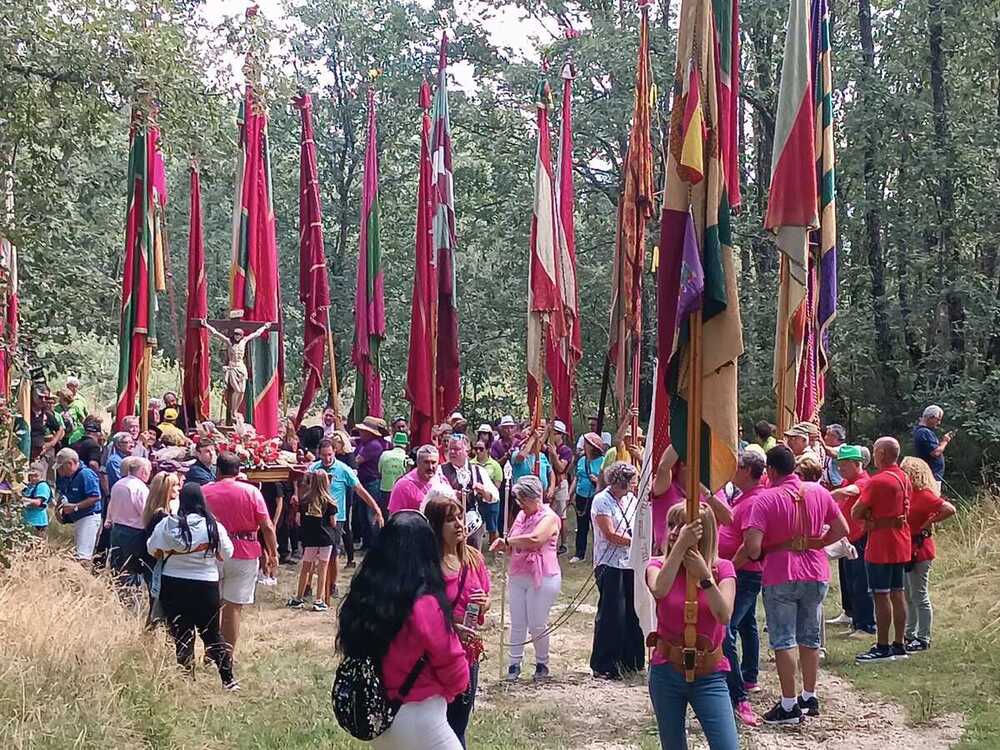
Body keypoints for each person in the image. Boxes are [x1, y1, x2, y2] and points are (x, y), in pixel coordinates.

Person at [337, 511, 469, 750]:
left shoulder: (364, 594)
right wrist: (456, 688)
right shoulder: (424, 602)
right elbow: (451, 660)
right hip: (421, 715)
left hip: (378, 714)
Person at [743, 445, 849, 725]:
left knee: (783, 639)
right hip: (815, 569)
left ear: (772, 470)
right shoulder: (819, 492)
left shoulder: (765, 500)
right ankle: (809, 696)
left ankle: (789, 705)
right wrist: (817, 543)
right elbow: (842, 529)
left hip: (781, 572)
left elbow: (753, 548)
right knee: (810, 637)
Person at [646, 502, 739, 750]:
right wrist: (678, 551)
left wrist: (705, 577)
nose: (675, 531)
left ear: (703, 532)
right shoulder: (656, 566)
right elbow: (659, 589)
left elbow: (724, 615)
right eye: (671, 525)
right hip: (667, 671)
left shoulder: (722, 569)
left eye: (683, 525)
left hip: (709, 673)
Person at [147, 482, 237, 690]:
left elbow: (152, 549)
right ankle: (228, 679)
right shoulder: (213, 525)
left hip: (174, 583)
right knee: (212, 634)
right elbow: (227, 553)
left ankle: (187, 678)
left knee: (182, 633)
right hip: (206, 584)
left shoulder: (169, 524)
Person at [425, 493, 492, 748]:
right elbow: (420, 614)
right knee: (435, 728)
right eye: (450, 520)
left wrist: (484, 603)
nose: (460, 524)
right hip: (437, 658)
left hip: (468, 656)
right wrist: (450, 625)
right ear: (435, 526)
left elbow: (486, 599)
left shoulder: (474, 558)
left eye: (460, 517)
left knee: (458, 726)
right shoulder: (427, 566)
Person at [203, 451, 279, 658]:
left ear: (217, 470)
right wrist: (273, 552)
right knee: (233, 607)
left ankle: (211, 652)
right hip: (244, 551)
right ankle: (226, 655)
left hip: (212, 551)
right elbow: (267, 526)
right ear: (239, 471)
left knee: (212, 606)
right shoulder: (252, 492)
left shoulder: (204, 491)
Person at [491, 476, 561, 682]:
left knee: (537, 622)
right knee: (517, 621)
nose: (520, 504)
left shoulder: (549, 517)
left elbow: (535, 540)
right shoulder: (522, 515)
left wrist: (508, 541)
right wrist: (508, 544)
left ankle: (542, 662)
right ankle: (514, 664)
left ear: (535, 498)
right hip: (518, 573)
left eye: (523, 499)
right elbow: (513, 538)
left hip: (543, 575)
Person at [852, 437, 912, 663]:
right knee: (898, 592)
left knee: (881, 594)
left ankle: (883, 645)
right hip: (900, 541)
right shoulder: (904, 477)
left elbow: (856, 511)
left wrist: (870, 518)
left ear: (883, 454)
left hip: (881, 543)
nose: (874, 456)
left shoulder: (878, 481)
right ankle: (899, 643)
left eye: (875, 452)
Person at [719, 447, 767, 726]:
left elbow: (750, 547)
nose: (731, 472)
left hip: (743, 575)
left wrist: (728, 570)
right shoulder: (744, 497)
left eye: (735, 467)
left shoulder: (752, 502)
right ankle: (749, 676)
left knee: (725, 632)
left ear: (747, 471)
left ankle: (737, 696)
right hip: (742, 573)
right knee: (747, 624)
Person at [589, 461, 644, 680]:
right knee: (612, 614)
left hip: (630, 563)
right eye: (632, 481)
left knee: (633, 612)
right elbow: (610, 533)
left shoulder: (632, 499)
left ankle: (631, 660)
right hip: (609, 563)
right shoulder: (601, 501)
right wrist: (636, 543)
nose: (634, 485)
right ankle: (604, 664)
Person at [900, 456, 956, 652]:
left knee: (919, 595)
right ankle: (910, 634)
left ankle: (923, 637)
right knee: (908, 594)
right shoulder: (909, 494)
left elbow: (949, 509)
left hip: (920, 549)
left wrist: (926, 525)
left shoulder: (924, 495)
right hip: (908, 548)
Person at [827, 445, 875, 635]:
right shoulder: (847, 479)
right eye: (839, 465)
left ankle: (866, 625)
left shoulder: (863, 481)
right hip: (847, 538)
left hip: (860, 537)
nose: (840, 469)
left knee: (861, 582)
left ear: (857, 464)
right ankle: (854, 618)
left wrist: (822, 496)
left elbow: (849, 492)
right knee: (849, 580)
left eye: (844, 466)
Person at [287, 471, 339, 611]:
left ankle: (299, 598)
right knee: (322, 568)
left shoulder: (304, 500)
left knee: (306, 568)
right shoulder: (330, 501)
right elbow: (333, 522)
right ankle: (319, 600)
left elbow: (298, 520)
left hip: (310, 538)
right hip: (326, 538)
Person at [106, 456, 152, 583]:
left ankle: (118, 593)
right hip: (134, 533)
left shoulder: (117, 484)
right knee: (132, 569)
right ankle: (131, 598)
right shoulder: (140, 488)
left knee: (118, 567)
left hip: (117, 530)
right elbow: (145, 512)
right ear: (143, 471)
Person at [440, 434, 498, 534]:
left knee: (473, 550)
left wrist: (483, 491)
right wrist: (451, 494)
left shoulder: (478, 471)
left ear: (467, 450)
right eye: (450, 449)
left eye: (456, 449)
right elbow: (433, 495)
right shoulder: (440, 471)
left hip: (473, 523)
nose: (452, 452)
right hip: (448, 524)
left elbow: (494, 497)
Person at [54, 447, 103, 561]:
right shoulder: (70, 477)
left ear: (70, 463)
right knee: (78, 552)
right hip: (78, 519)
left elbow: (95, 497)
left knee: (83, 555)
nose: (60, 471)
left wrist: (75, 507)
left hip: (88, 518)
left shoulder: (86, 474)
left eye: (61, 467)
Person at [570, 432, 605, 563]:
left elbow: (606, 481)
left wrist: (597, 481)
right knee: (581, 526)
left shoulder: (602, 461)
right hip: (581, 497)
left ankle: (599, 554)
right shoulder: (581, 461)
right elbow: (576, 478)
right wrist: (570, 493)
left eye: (587, 443)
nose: (584, 445)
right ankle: (579, 553)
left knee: (597, 527)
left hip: (595, 498)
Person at [355, 416, 389, 549]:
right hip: (364, 482)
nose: (360, 433)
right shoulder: (364, 444)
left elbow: (357, 460)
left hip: (372, 482)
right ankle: (367, 543)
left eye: (363, 431)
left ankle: (375, 544)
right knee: (363, 515)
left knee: (371, 515)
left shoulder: (374, 445)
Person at [545, 421, 575, 555]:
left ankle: (563, 544)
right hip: (549, 483)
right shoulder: (547, 448)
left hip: (561, 483)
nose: (553, 436)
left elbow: (561, 468)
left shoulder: (566, 451)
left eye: (555, 433)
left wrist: (553, 455)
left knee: (561, 515)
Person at [389, 444, 445, 513]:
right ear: (418, 463)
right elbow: (394, 517)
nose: (430, 467)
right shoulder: (403, 486)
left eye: (433, 463)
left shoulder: (442, 480)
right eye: (426, 462)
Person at [470, 439, 503, 544]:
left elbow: (497, 484)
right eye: (476, 449)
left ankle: (493, 546)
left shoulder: (495, 465)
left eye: (481, 449)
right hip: (476, 500)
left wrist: (486, 491)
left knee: (492, 527)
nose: (478, 451)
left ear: (488, 450)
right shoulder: (471, 464)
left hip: (491, 499)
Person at [913, 405, 954, 484]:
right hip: (931, 476)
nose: (939, 423)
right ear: (931, 417)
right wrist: (945, 441)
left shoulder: (923, 431)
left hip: (931, 475)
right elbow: (936, 453)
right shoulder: (924, 432)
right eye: (938, 420)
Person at [379, 432, 412, 498]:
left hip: (384, 490)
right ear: (406, 445)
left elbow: (379, 471)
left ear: (393, 443)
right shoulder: (407, 459)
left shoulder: (384, 454)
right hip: (399, 491)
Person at [21, 465, 52, 535]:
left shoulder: (42, 486)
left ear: (41, 475)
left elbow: (38, 502)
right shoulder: (29, 486)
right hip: (27, 520)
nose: (33, 478)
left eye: (36, 476)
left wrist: (24, 500)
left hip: (37, 522)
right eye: (31, 476)